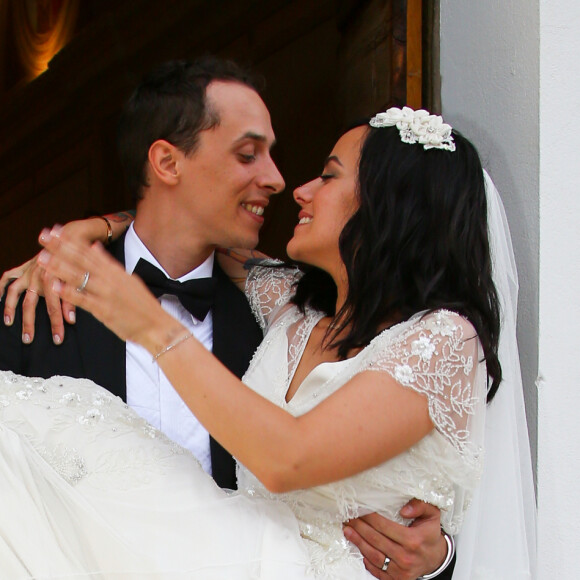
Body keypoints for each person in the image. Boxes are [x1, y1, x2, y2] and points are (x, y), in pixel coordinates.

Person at [0, 106, 506, 579]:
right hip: (234, 555)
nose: (300, 191)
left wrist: (149, 324)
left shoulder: (444, 338)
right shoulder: (289, 305)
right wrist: (94, 229)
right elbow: (187, 225)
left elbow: (290, 458)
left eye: (328, 176)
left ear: (392, 202)